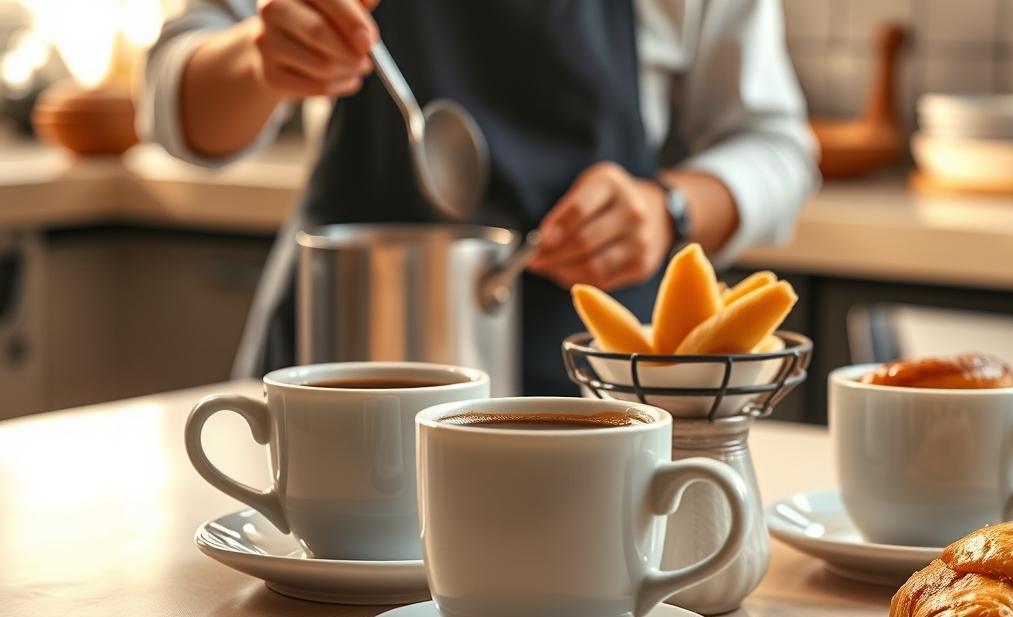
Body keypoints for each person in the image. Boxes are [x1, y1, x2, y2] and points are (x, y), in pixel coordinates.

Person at [142, 0, 817, 394]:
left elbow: (777, 149)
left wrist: (666, 208)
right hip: (339, 370)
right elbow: (172, 100)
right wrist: (260, 57)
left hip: (586, 393)